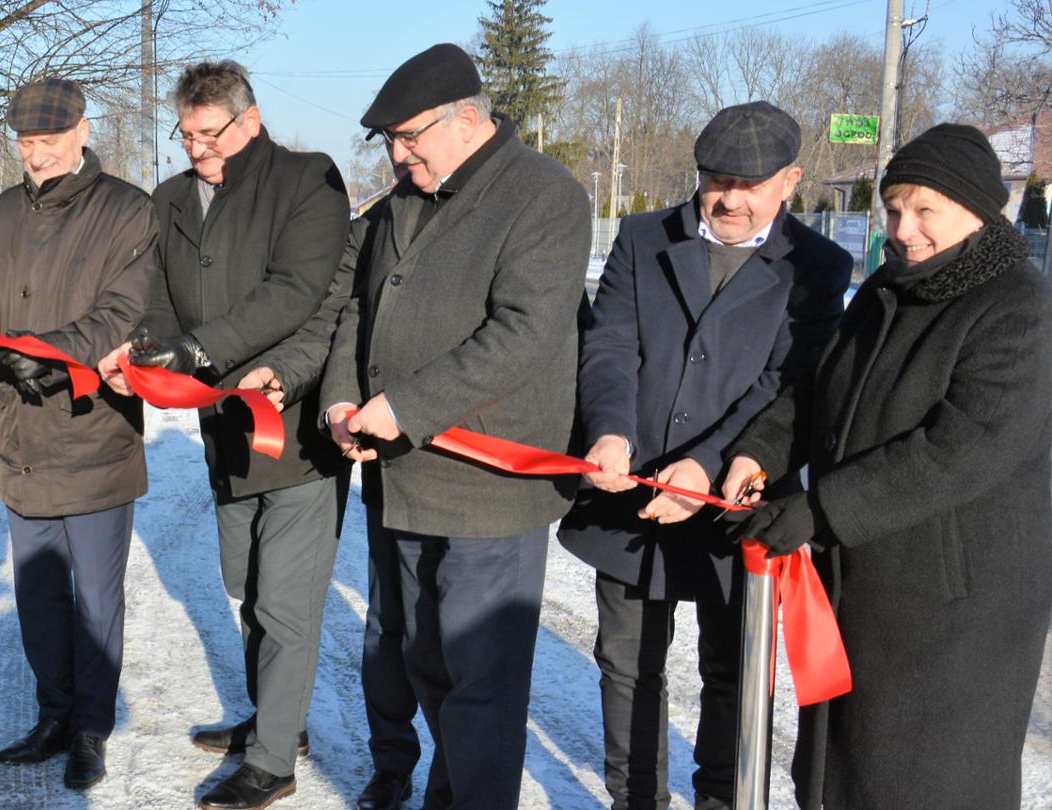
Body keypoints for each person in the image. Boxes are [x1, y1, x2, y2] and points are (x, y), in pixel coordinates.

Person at [723, 123, 1052, 809]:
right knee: (844, 774)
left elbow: (958, 450)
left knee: (924, 782)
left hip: (956, 604)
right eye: (894, 209)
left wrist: (821, 510)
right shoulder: (887, 286)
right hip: (864, 580)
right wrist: (760, 453)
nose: (904, 229)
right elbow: (818, 388)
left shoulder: (1018, 306)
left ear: (977, 210)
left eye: (926, 210)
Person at [558, 101, 852, 810]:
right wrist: (611, 432)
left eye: (751, 185)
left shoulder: (819, 266)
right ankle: (636, 798)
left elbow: (788, 383)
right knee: (627, 665)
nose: (730, 199)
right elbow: (610, 345)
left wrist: (710, 462)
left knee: (733, 672)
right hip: (632, 491)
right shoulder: (641, 238)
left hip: (736, 499)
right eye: (717, 180)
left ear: (791, 181)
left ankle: (720, 799)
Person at [322, 44, 590, 809]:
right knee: (426, 663)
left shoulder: (546, 196)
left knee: (481, 682)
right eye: (390, 141)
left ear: (467, 121)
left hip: (489, 486)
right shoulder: (400, 201)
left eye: (410, 138)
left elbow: (523, 334)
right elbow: (360, 309)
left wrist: (404, 407)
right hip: (405, 476)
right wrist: (341, 399)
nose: (397, 156)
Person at [96, 60, 351, 810]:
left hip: (295, 428)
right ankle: (278, 721)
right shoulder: (172, 198)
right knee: (245, 586)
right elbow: (160, 299)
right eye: (187, 134)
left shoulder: (307, 181)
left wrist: (198, 350)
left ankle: (272, 763)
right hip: (224, 431)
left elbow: (297, 292)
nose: (197, 147)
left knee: (286, 603)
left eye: (211, 133)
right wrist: (151, 355)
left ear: (251, 119)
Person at [0, 77, 155, 791]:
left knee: (96, 601)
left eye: (49, 141)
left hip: (92, 433)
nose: (36, 155)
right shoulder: (2, 212)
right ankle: (54, 715)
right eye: (26, 142)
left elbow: (121, 314)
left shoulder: (127, 210)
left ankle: (91, 727)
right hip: (21, 438)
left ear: (83, 132)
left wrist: (46, 354)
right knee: (39, 598)